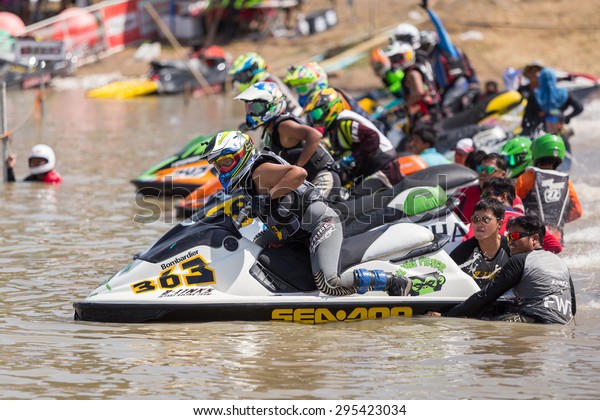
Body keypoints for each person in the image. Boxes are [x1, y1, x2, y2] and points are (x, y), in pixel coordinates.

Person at [203, 130, 411, 296]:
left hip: (320, 223)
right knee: (254, 245)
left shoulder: (260, 171)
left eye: (226, 162)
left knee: (329, 284)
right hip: (297, 232)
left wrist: (269, 197)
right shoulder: (250, 179)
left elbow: (299, 173)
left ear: (242, 154)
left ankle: (393, 281)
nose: (222, 169)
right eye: (218, 165)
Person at [428, 215, 576, 324]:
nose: (510, 241)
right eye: (508, 236)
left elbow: (486, 297)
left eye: (515, 236)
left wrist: (447, 316)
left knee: (481, 329)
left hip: (535, 322)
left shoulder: (520, 260)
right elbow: (573, 308)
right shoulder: (561, 264)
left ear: (535, 239)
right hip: (562, 327)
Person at [234, 81, 338, 200]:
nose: (251, 113)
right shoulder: (271, 128)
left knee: (314, 212)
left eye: (255, 108)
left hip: (323, 176)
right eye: (249, 108)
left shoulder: (283, 126)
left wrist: (298, 166)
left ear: (271, 105)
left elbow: (315, 135)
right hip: (310, 180)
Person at [304, 87, 403, 190]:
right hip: (371, 167)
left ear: (331, 107)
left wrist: (351, 158)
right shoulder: (334, 127)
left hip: (383, 165)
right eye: (311, 116)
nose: (314, 120)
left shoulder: (343, 121)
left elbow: (372, 137)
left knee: (357, 200)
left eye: (316, 114)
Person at [464, 177, 562, 254]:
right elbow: (556, 246)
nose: (482, 199)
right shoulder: (529, 221)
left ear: (503, 197)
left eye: (486, 195)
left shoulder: (482, 220)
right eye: (481, 195)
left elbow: (467, 243)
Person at [515, 133, 582, 244]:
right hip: (556, 239)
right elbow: (577, 211)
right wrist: (558, 222)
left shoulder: (527, 177)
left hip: (532, 237)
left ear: (535, 153)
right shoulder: (566, 181)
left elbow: (514, 204)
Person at [420, 1, 480, 115]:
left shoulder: (444, 48)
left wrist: (429, 11)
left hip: (459, 83)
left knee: (447, 108)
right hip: (447, 90)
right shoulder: (429, 59)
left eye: (426, 45)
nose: (424, 49)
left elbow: (440, 29)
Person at [450, 198, 511, 289]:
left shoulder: (511, 248)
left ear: (500, 223)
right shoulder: (462, 253)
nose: (479, 224)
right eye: (476, 219)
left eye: (485, 219)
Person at [453, 152, 524, 223]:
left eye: (488, 170)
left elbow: (518, 229)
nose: (483, 173)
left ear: (503, 175)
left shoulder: (513, 200)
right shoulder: (463, 193)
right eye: (481, 169)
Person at [386, 41, 442, 130]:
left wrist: (403, 108)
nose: (394, 62)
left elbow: (419, 92)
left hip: (427, 112)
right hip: (430, 109)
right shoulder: (418, 66)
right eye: (392, 59)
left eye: (397, 58)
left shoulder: (412, 72)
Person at [228, 52, 302, 116]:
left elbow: (290, 107)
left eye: (241, 77)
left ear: (251, 73)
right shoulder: (260, 84)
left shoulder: (267, 83)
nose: (240, 81)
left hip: (294, 117)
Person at [520, 65, 583, 137]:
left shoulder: (535, 95)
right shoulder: (563, 94)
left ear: (541, 80)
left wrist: (525, 130)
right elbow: (579, 108)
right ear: (554, 79)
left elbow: (527, 117)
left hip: (540, 133)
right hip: (558, 130)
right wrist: (566, 118)